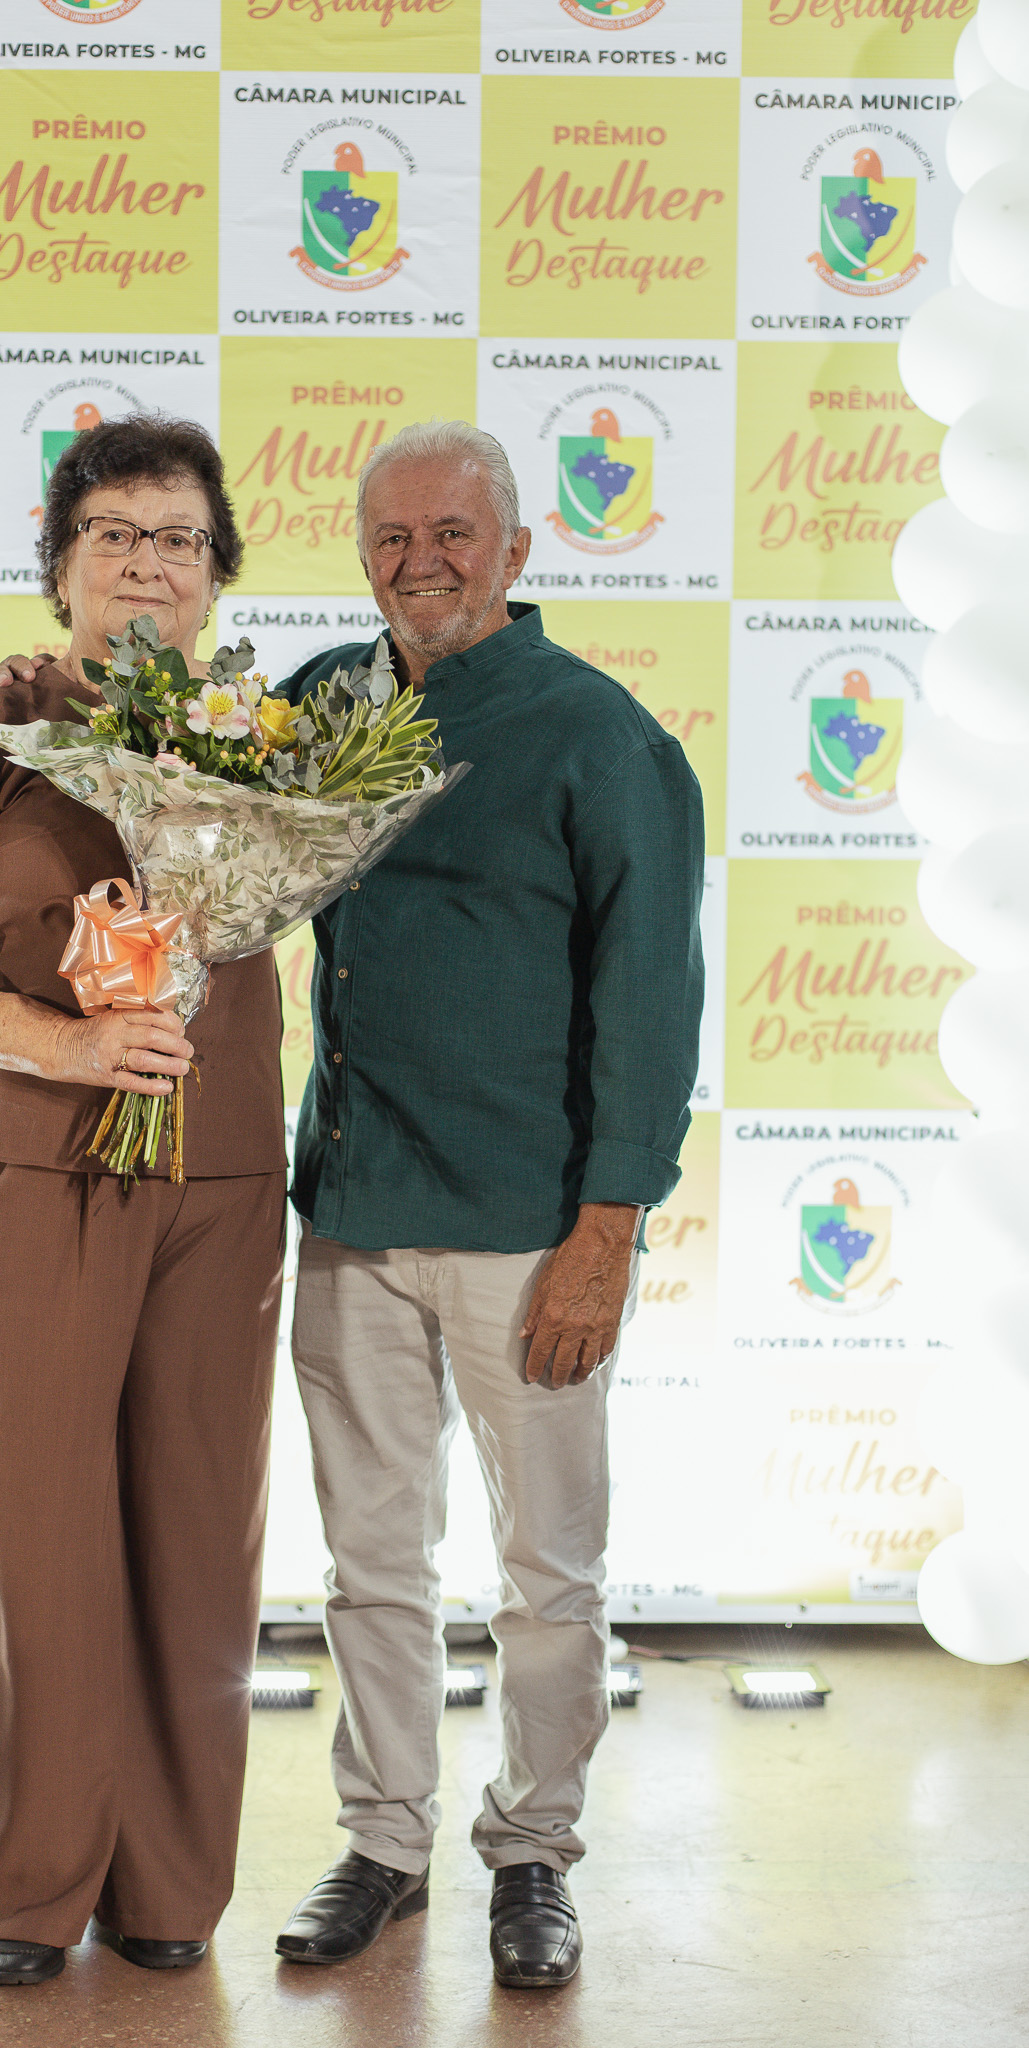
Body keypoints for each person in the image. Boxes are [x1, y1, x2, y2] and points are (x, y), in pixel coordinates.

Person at [0, 417, 287, 1988]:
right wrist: (68, 1046)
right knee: (36, 1541)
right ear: (61, 569)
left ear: (217, 574)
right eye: (113, 534)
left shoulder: (264, 741)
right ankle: (30, 1891)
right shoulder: (2, 721)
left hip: (221, 1170)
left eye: (179, 538)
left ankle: (168, 1882)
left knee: (199, 1536)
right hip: (40, 1168)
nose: (148, 563)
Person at [271, 420, 705, 1990]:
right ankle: (383, 1841)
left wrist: (610, 1228)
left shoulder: (598, 734)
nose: (419, 562)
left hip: (528, 1225)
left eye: (452, 533)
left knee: (548, 1573)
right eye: (389, 536)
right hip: (350, 1208)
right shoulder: (319, 704)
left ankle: (533, 1852)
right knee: (370, 1561)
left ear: (515, 551)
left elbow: (648, 997)